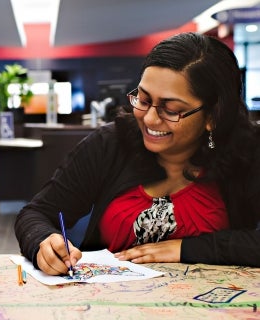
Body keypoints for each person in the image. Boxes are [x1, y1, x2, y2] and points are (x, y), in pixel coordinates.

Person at [14, 32, 260, 276]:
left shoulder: (248, 153)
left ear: (212, 116)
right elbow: (36, 214)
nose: (150, 119)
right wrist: (42, 241)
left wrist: (186, 249)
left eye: (171, 109)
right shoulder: (109, 144)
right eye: (143, 100)